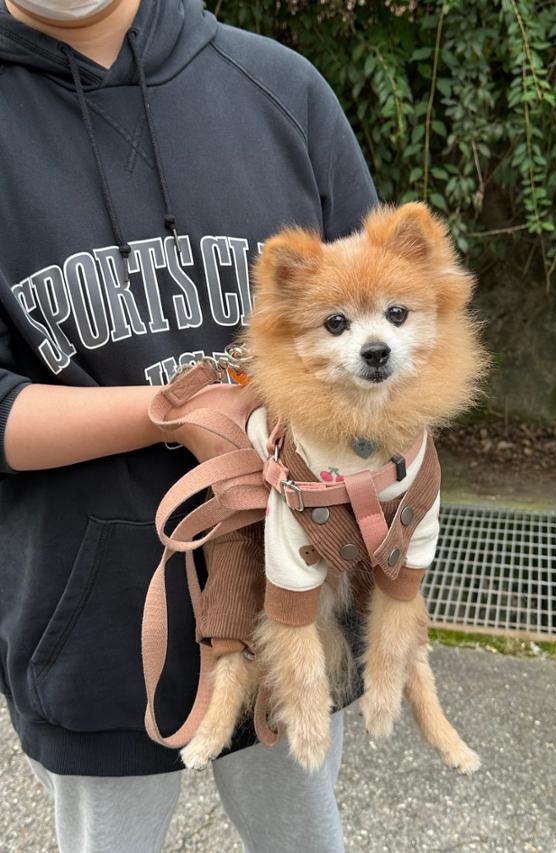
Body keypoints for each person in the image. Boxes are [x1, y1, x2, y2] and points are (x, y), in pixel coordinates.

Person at [0, 0, 378, 850]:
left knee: (306, 835)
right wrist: (169, 411)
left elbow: (384, 324)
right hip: (92, 619)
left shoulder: (279, 89)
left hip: (294, 586)